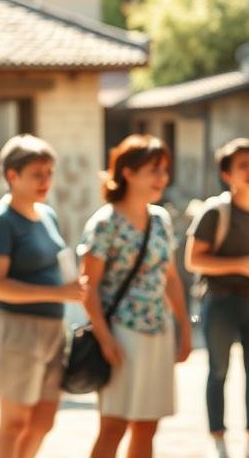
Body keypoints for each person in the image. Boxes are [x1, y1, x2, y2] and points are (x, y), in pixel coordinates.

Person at [81, 134, 192, 458]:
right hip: (120, 335)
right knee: (113, 426)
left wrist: (184, 327)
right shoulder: (105, 223)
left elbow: (170, 278)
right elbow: (87, 287)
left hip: (159, 332)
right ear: (127, 172)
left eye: (164, 170)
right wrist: (104, 339)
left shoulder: (161, 220)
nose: (162, 178)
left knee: (148, 426)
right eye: (154, 170)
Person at [0, 134, 86, 458]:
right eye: (38, 174)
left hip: (53, 330)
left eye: (50, 172)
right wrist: (58, 292)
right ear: (13, 175)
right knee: (14, 423)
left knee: (43, 421)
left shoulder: (47, 214)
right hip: (17, 330)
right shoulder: (0, 222)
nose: (46, 180)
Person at [184, 138, 249, 458]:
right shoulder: (215, 212)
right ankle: (218, 439)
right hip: (220, 301)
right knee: (218, 370)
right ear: (227, 175)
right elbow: (193, 260)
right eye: (243, 165)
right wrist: (239, 264)